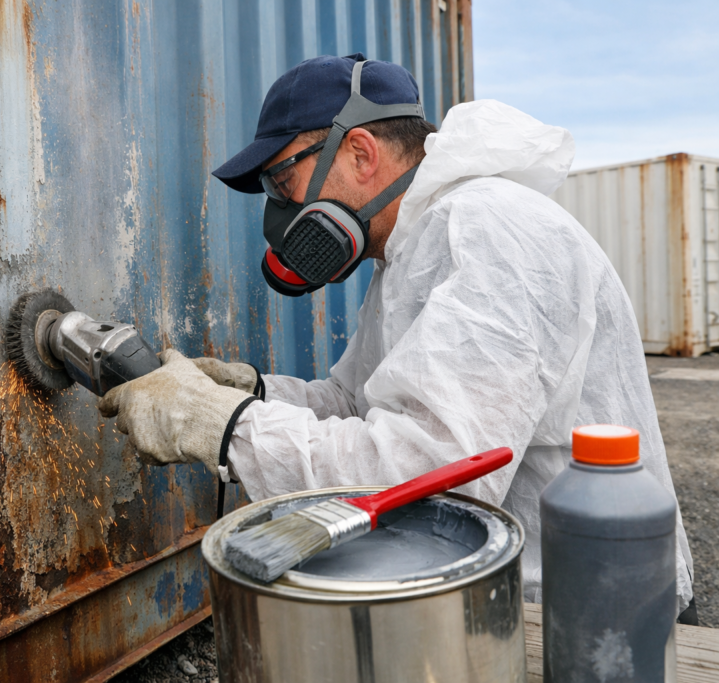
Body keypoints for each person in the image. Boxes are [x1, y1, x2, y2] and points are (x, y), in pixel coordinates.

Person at [97, 53, 695, 620]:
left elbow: (436, 469)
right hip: (514, 595)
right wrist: (250, 392)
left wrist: (225, 425)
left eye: (282, 183)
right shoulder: (408, 251)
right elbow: (358, 403)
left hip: (595, 618)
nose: (278, 215)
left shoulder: (486, 231)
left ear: (360, 151)